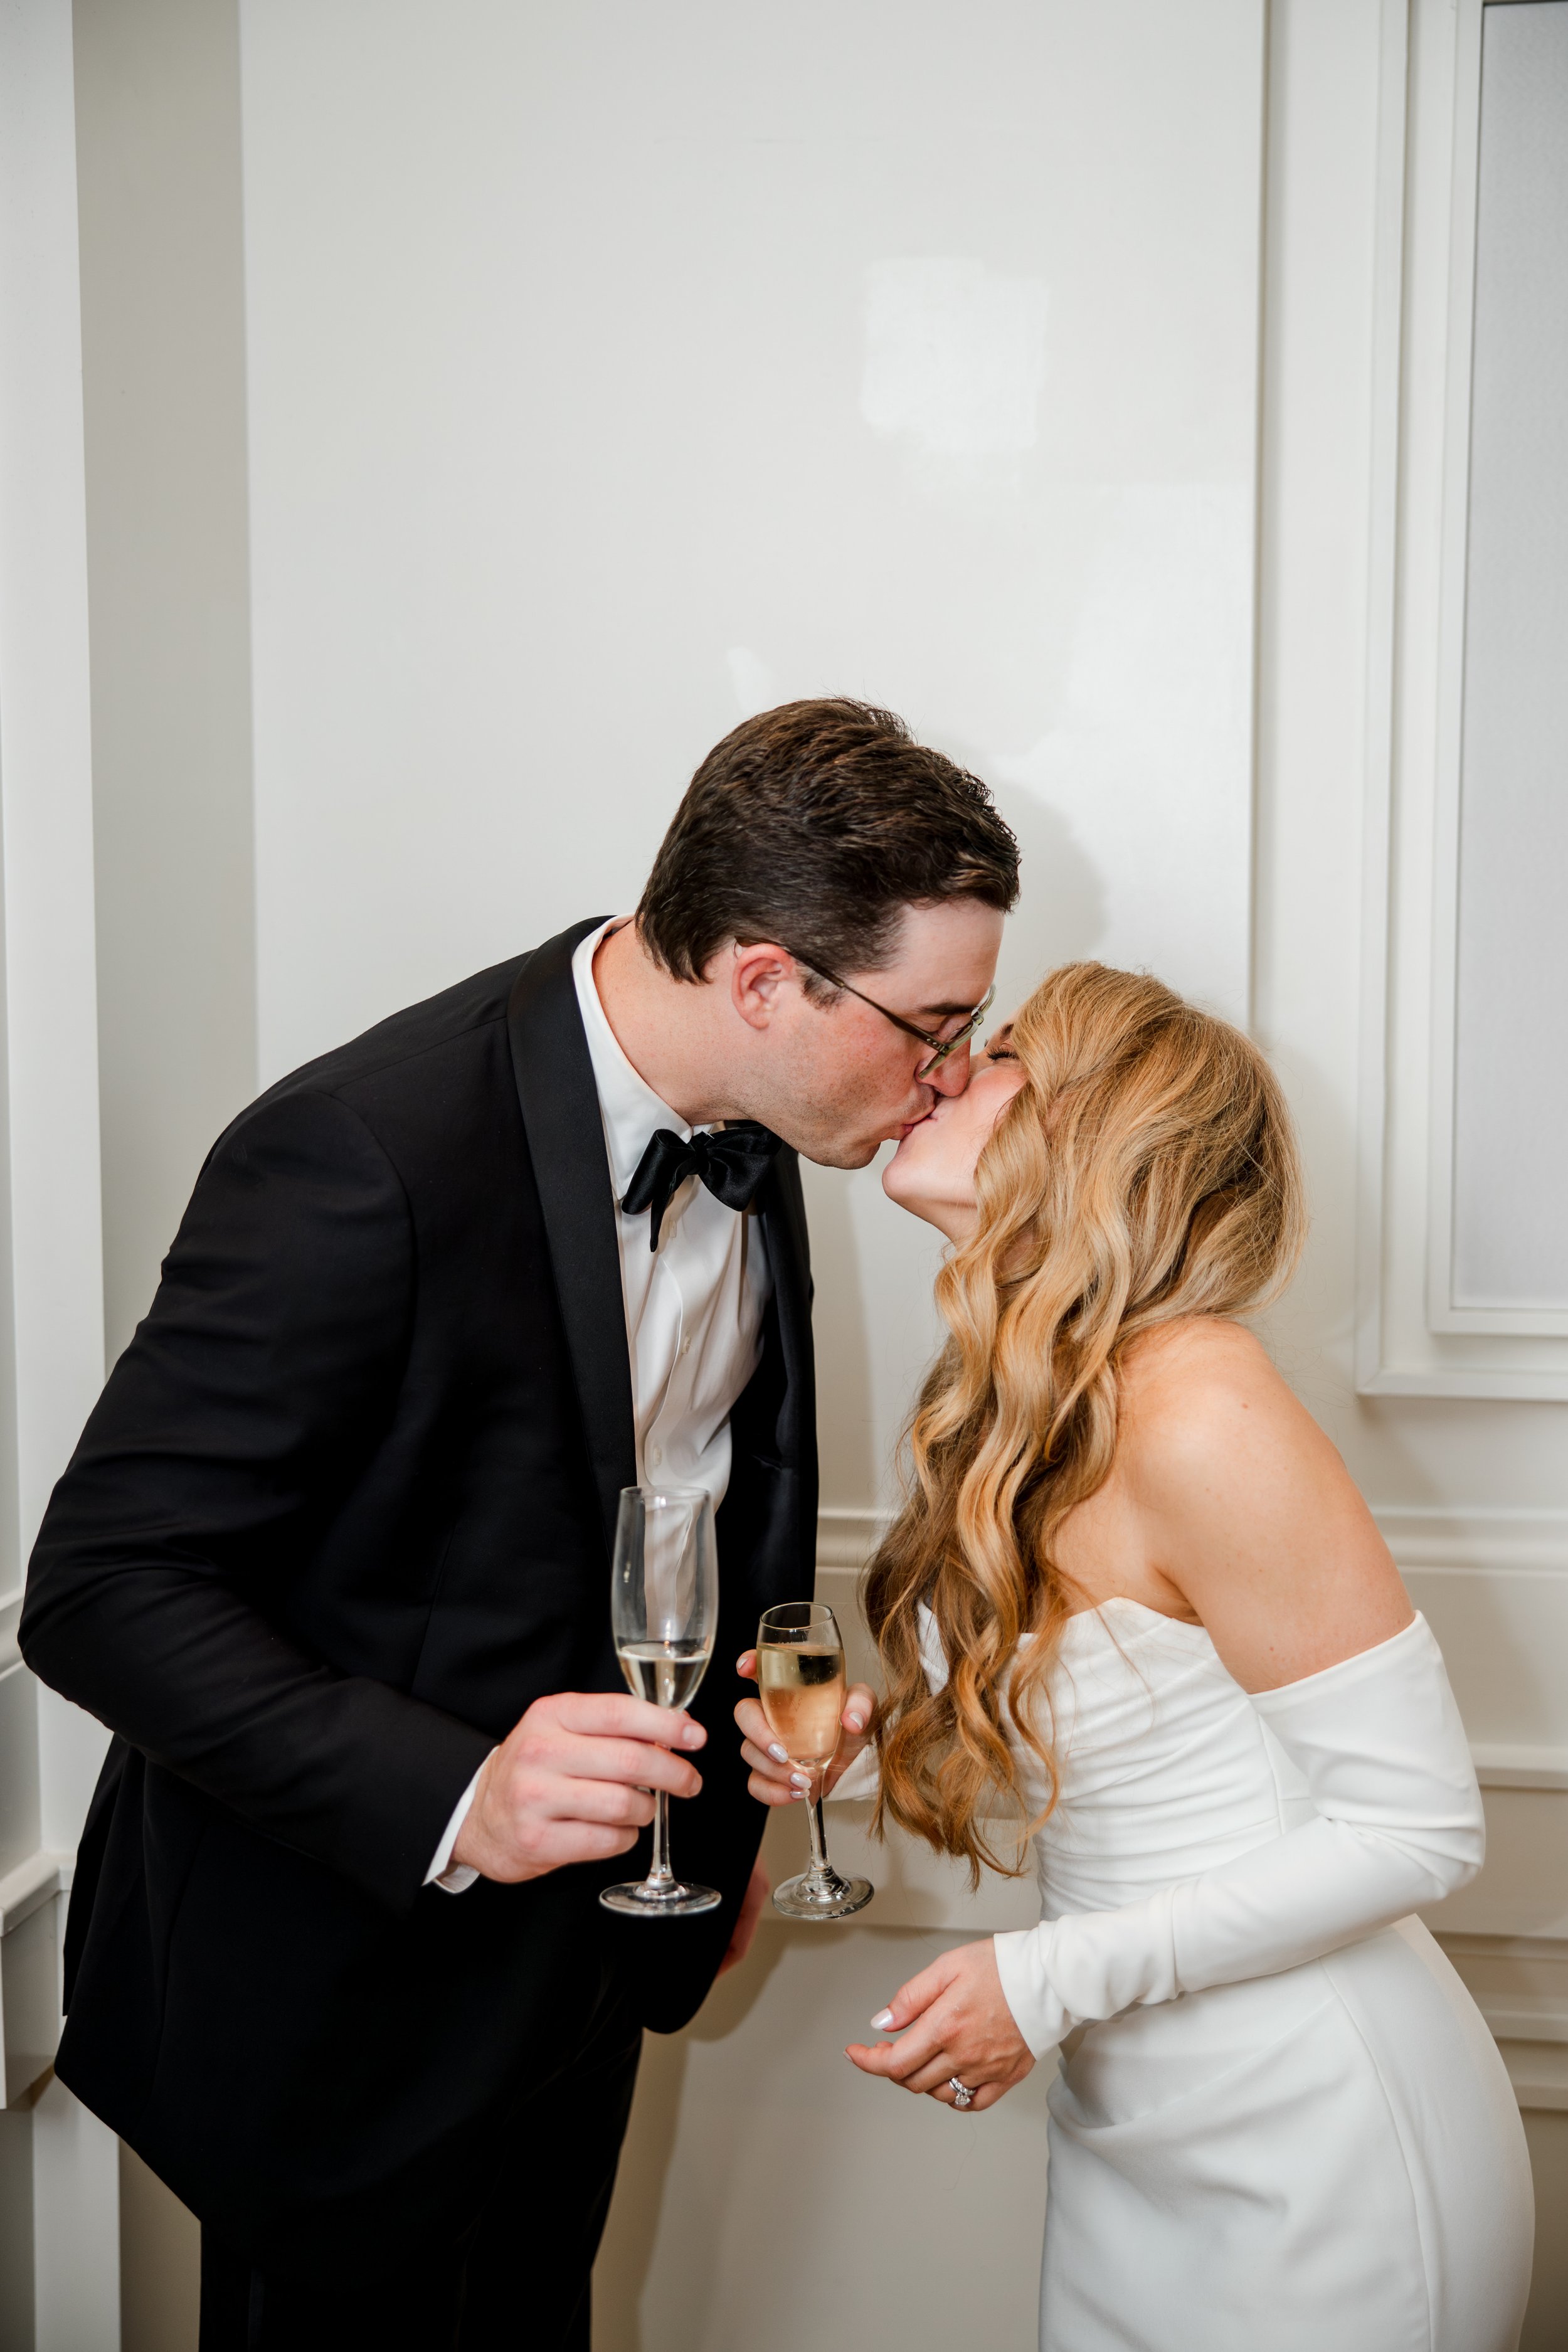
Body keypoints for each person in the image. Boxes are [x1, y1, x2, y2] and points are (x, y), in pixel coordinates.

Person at [19, 699, 1018, 2351]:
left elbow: (698, 1494)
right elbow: (105, 1586)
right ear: (765, 979)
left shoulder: (763, 1132)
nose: (951, 1078)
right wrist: (462, 1791)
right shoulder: (363, 1149)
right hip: (345, 1996)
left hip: (595, 1957)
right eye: (934, 1025)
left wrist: (751, 1746)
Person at [738, 961, 1534, 2352]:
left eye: (998, 1062)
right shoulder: (1024, 1409)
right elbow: (1124, 1738)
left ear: (1089, 1133)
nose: (946, 1070)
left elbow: (1417, 1829)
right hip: (1131, 2123)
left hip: (1314, 2140)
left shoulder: (1203, 1404)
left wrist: (1039, 1985)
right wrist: (859, 1750)